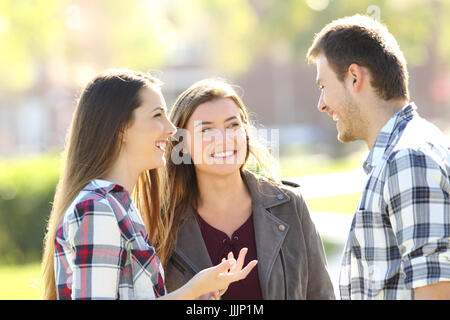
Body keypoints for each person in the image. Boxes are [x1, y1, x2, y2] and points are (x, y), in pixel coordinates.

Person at [41, 70, 257, 300]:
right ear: (122, 129)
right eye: (157, 115)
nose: (172, 129)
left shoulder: (121, 207)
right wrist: (191, 290)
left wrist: (196, 295)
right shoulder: (98, 209)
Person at [306, 14, 450, 300]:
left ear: (355, 77)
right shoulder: (404, 152)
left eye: (323, 87)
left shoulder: (407, 159)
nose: (321, 104)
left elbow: (437, 292)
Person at [162, 78, 335, 300]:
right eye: (206, 130)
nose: (224, 139)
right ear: (182, 145)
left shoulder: (290, 205)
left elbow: (321, 295)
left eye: (232, 125)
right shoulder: (163, 221)